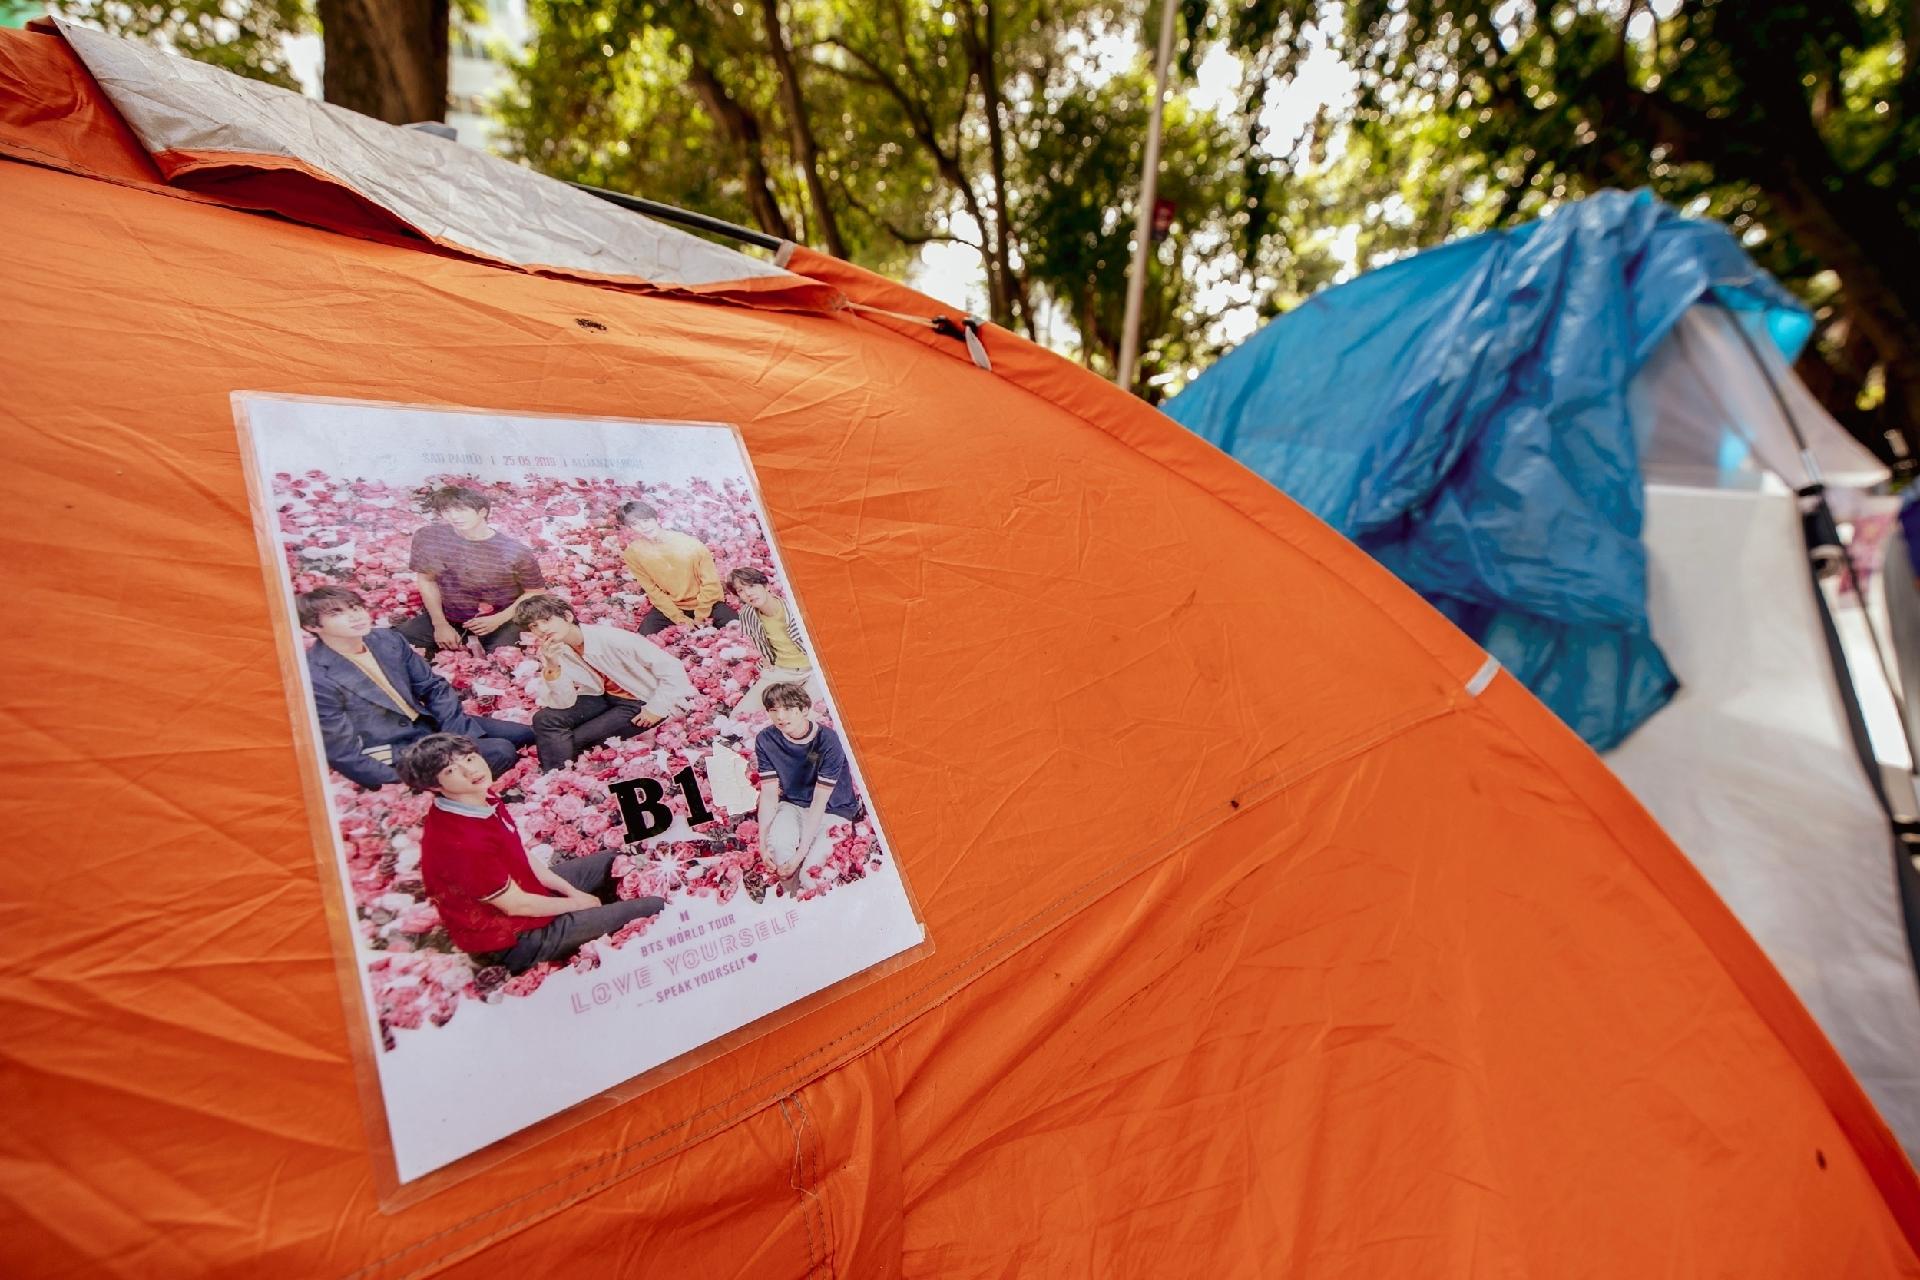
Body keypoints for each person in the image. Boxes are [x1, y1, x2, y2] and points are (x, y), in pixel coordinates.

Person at [399, 734, 665, 973]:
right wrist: (579, 903)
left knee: (613, 860)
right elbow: (516, 905)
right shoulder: (462, 841)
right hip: (513, 939)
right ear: (434, 786)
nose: (471, 771)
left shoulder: (477, 797)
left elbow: (519, 854)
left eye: (469, 758)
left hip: (528, 892)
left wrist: (571, 891)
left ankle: (594, 918)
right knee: (655, 907)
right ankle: (586, 927)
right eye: (450, 770)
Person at [299, 585, 533, 789]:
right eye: (337, 613)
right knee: (501, 751)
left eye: (355, 607)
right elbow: (342, 752)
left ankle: (461, 756)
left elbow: (433, 687)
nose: (355, 616)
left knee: (526, 734)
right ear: (312, 626)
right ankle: (457, 790)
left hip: (429, 724)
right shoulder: (316, 675)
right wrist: (406, 780)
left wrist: (458, 735)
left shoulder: (385, 640)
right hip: (396, 746)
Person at [517, 593, 696, 771]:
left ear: (568, 616)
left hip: (640, 698)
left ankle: (557, 777)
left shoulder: (613, 639)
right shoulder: (554, 651)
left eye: (546, 620)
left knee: (577, 739)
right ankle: (554, 776)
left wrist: (656, 709)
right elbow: (563, 702)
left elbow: (673, 668)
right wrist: (552, 666)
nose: (541, 629)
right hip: (603, 696)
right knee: (544, 719)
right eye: (534, 626)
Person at [395, 485, 547, 655]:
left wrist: (498, 619)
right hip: (449, 615)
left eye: (462, 510)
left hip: (502, 618)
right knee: (395, 643)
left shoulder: (515, 551)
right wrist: (440, 624)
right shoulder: (430, 537)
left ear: (482, 512)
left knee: (504, 659)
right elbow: (427, 579)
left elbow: (535, 591)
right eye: (447, 510)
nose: (454, 516)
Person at [754, 681, 865, 892]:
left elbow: (819, 800)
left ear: (804, 709)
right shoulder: (766, 739)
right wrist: (762, 844)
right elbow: (769, 793)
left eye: (788, 709)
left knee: (811, 876)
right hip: (793, 804)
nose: (780, 716)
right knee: (778, 852)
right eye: (774, 710)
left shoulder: (828, 740)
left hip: (833, 810)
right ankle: (791, 899)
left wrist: (800, 855)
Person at [616, 499, 738, 634]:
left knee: (736, 627)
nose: (643, 527)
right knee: (644, 637)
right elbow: (653, 591)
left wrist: (701, 615)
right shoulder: (633, 553)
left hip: (707, 604)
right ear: (630, 528)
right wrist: (679, 618)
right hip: (672, 607)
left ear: (655, 518)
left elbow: (711, 584)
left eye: (645, 520)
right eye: (635, 524)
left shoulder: (690, 544)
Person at [723, 566, 825, 718]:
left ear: (765, 585)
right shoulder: (747, 614)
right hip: (782, 670)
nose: (748, 593)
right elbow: (759, 642)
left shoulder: (794, 607)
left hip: (814, 670)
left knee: (801, 718)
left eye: (751, 586)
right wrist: (767, 660)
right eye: (741, 590)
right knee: (739, 714)